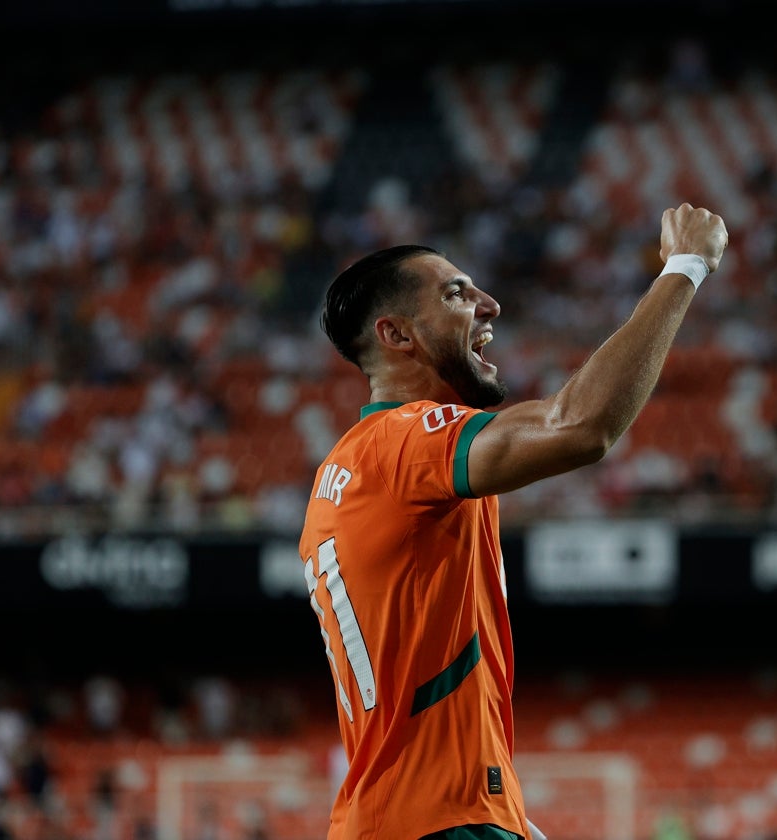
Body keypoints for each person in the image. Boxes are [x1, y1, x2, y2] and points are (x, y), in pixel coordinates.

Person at [298, 202, 728, 840]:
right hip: (435, 824)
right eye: (455, 293)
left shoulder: (353, 470)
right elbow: (579, 428)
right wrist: (684, 267)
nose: (489, 302)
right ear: (396, 336)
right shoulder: (405, 442)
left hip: (424, 816)